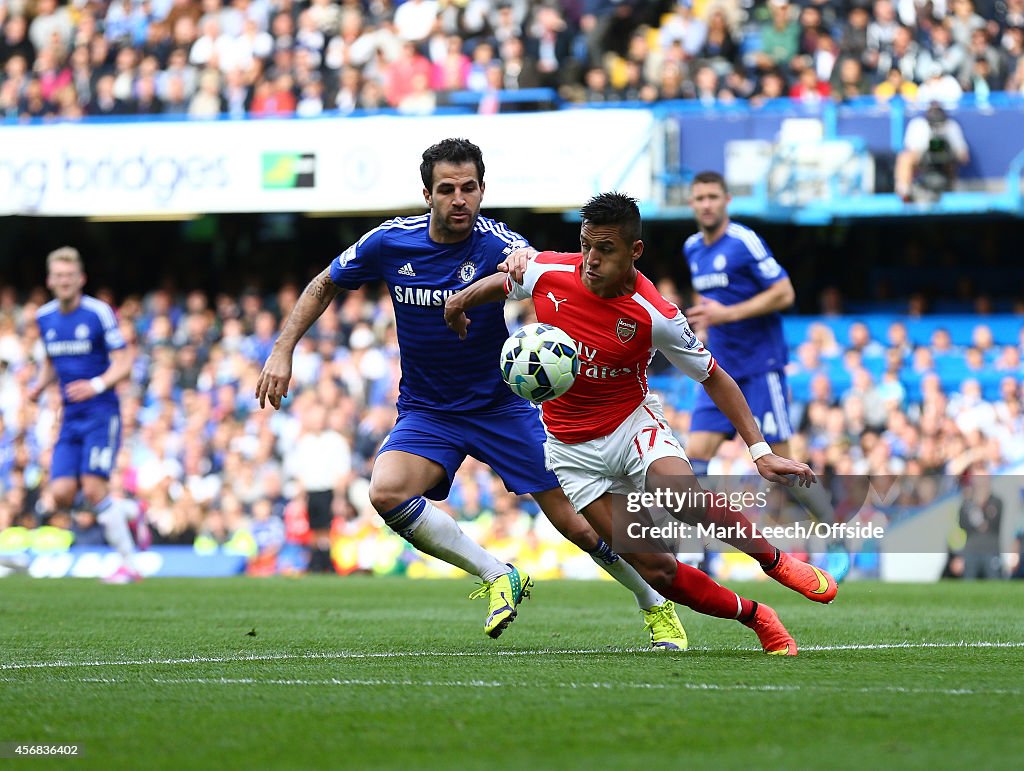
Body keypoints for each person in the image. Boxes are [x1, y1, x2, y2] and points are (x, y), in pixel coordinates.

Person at [257, 138, 688, 647]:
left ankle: (654, 605)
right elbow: (324, 283)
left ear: (483, 190)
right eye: (447, 189)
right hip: (429, 409)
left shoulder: (498, 243)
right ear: (427, 194)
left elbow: (543, 270)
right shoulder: (390, 242)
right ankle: (496, 574)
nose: (459, 199)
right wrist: (282, 349)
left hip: (503, 404)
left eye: (469, 188)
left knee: (579, 526)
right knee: (386, 491)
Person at [446, 192, 842, 655]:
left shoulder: (656, 314)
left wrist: (760, 451)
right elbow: (505, 282)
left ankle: (776, 562)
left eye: (606, 250)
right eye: (586, 246)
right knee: (657, 570)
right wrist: (459, 302)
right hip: (571, 452)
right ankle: (757, 617)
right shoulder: (549, 271)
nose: (591, 261)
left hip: (633, 426)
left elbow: (714, 377)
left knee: (683, 498)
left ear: (634, 251)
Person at [684, 170, 833, 525]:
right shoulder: (692, 248)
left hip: (759, 367)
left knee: (781, 462)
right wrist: (705, 322)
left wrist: (727, 313)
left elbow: (785, 293)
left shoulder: (743, 241)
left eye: (713, 197)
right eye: (700, 198)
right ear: (691, 203)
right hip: (718, 369)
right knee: (694, 456)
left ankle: (836, 532)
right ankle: (696, 552)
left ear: (727, 201)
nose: (706, 205)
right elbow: (708, 299)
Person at [27, 247, 148, 583]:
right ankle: (128, 512)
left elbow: (124, 361)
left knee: (94, 488)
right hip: (69, 416)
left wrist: (96, 385)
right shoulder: (44, 317)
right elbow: (52, 362)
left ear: (80, 279)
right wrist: (39, 386)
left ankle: (130, 565)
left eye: (70, 276)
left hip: (100, 412)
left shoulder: (98, 313)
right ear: (50, 280)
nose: (64, 281)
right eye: (58, 276)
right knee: (62, 493)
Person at [894, 102, 970, 203]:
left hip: (946, 161)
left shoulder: (951, 126)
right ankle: (905, 192)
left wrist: (949, 151)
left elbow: (964, 156)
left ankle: (951, 190)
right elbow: (910, 149)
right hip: (922, 159)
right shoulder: (918, 124)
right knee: (904, 158)